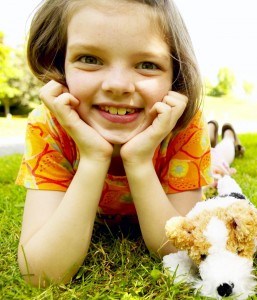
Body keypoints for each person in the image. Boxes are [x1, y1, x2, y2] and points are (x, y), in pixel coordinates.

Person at [16, 0, 211, 287]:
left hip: (188, 156)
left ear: (175, 78)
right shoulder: (49, 126)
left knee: (219, 165)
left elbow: (180, 252)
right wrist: (94, 157)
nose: (118, 85)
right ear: (60, 66)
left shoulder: (185, 125)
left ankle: (227, 141)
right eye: (90, 59)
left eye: (147, 65)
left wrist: (139, 161)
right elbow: (41, 274)